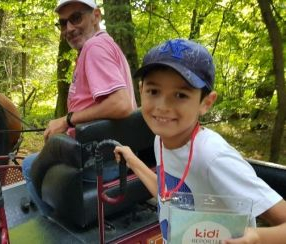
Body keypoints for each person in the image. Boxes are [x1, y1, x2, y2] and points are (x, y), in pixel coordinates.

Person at [113, 38, 286, 243]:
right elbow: (167, 196)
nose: (162, 106)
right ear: (141, 90)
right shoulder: (161, 139)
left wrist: (256, 237)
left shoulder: (213, 157)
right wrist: (132, 160)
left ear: (206, 103)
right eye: (154, 91)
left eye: (180, 95)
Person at [22, 0, 137, 216]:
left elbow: (121, 104)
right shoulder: (106, 45)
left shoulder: (94, 48)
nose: (69, 29)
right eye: (63, 23)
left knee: (29, 165)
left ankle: (56, 224)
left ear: (96, 16)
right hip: (112, 157)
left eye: (76, 18)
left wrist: (67, 120)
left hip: (100, 163)